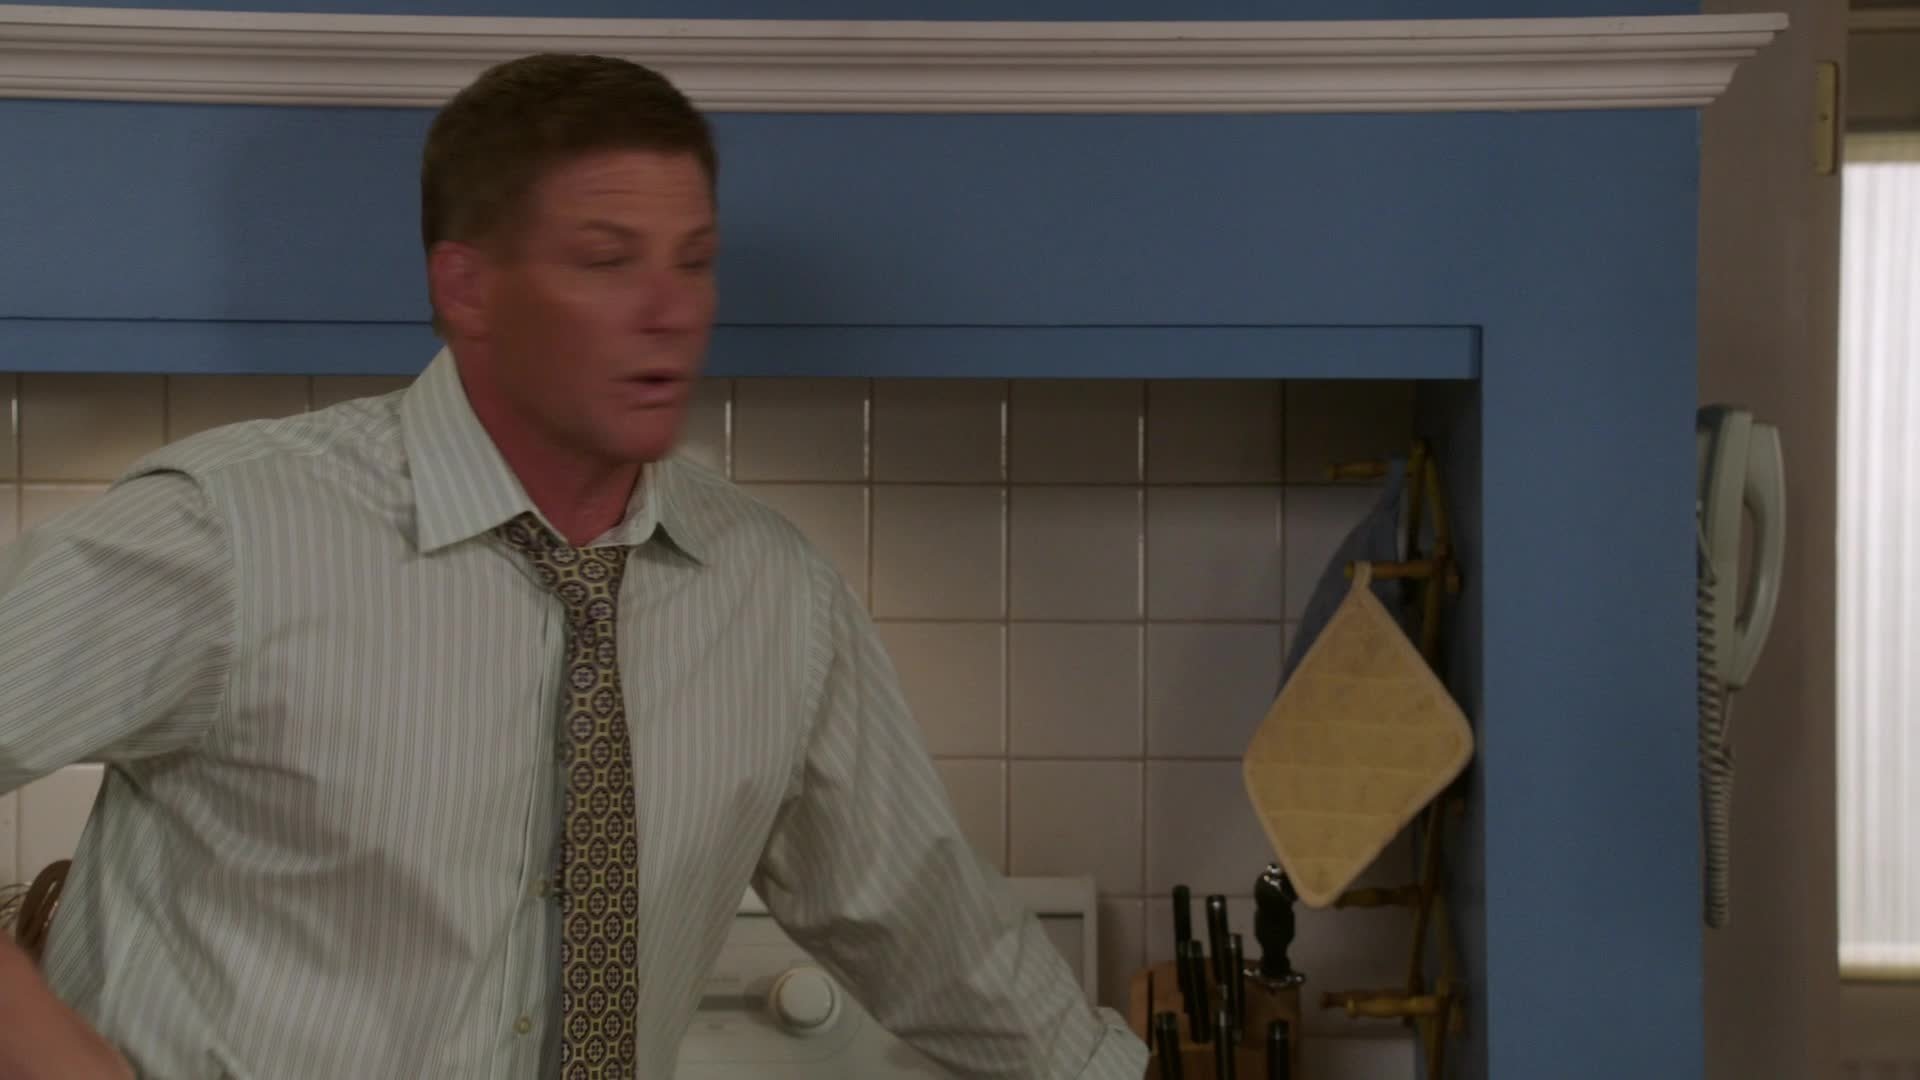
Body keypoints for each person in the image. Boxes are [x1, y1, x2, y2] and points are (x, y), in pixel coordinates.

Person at [0, 53, 1149, 1080]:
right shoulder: (233, 533)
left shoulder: (773, 594)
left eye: (694, 262)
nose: (670, 312)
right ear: (467, 287)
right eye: (606, 260)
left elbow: (922, 920)